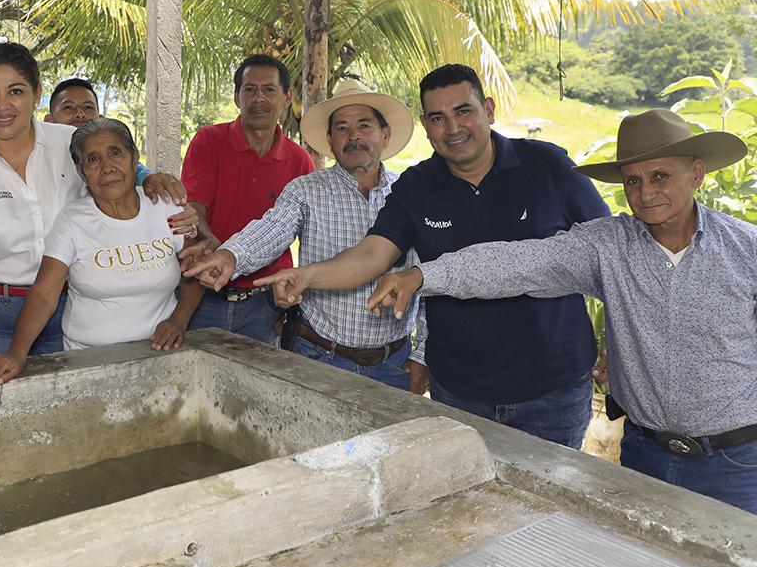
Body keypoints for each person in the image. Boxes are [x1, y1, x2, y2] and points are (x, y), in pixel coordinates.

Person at [367, 109, 757, 512]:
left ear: (696, 173)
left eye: (660, 176)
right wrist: (422, 276)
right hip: (645, 455)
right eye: (633, 181)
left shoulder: (747, 250)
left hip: (739, 463)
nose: (645, 193)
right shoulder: (607, 245)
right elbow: (520, 263)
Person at [257, 64, 610, 448]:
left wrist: (618, 343)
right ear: (426, 124)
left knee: (550, 502)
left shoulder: (548, 166)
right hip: (460, 390)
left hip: (553, 391)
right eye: (439, 118)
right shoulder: (417, 186)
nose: (453, 129)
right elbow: (371, 255)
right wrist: (308, 277)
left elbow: (610, 256)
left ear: (488, 110)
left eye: (463, 111)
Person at [0, 42, 194, 385]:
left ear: (36, 94)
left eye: (15, 91)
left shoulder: (67, 141)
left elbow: (118, 166)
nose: (2, 105)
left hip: (68, 302)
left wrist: (154, 180)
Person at [183, 80, 427, 392]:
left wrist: (422, 355)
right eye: (341, 128)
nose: (353, 136)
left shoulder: (412, 194)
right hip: (319, 358)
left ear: (385, 134)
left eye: (364, 126)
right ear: (329, 139)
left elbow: (430, 278)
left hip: (394, 363)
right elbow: (272, 227)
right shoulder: (307, 189)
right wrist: (230, 256)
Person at [0, 118, 203, 385]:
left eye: (115, 153)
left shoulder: (164, 207)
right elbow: (44, 295)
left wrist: (178, 321)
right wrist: (17, 353)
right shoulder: (73, 220)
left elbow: (195, 268)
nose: (107, 167)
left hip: (159, 353)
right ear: (82, 172)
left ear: (134, 159)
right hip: (90, 361)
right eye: (93, 160)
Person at [180, 54, 315, 345]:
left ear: (287, 97)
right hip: (204, 295)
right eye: (249, 89)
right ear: (236, 97)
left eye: (269, 90)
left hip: (265, 304)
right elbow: (194, 208)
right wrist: (221, 250)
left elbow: (310, 235)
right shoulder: (208, 141)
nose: (259, 99)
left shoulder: (300, 160)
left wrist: (291, 301)